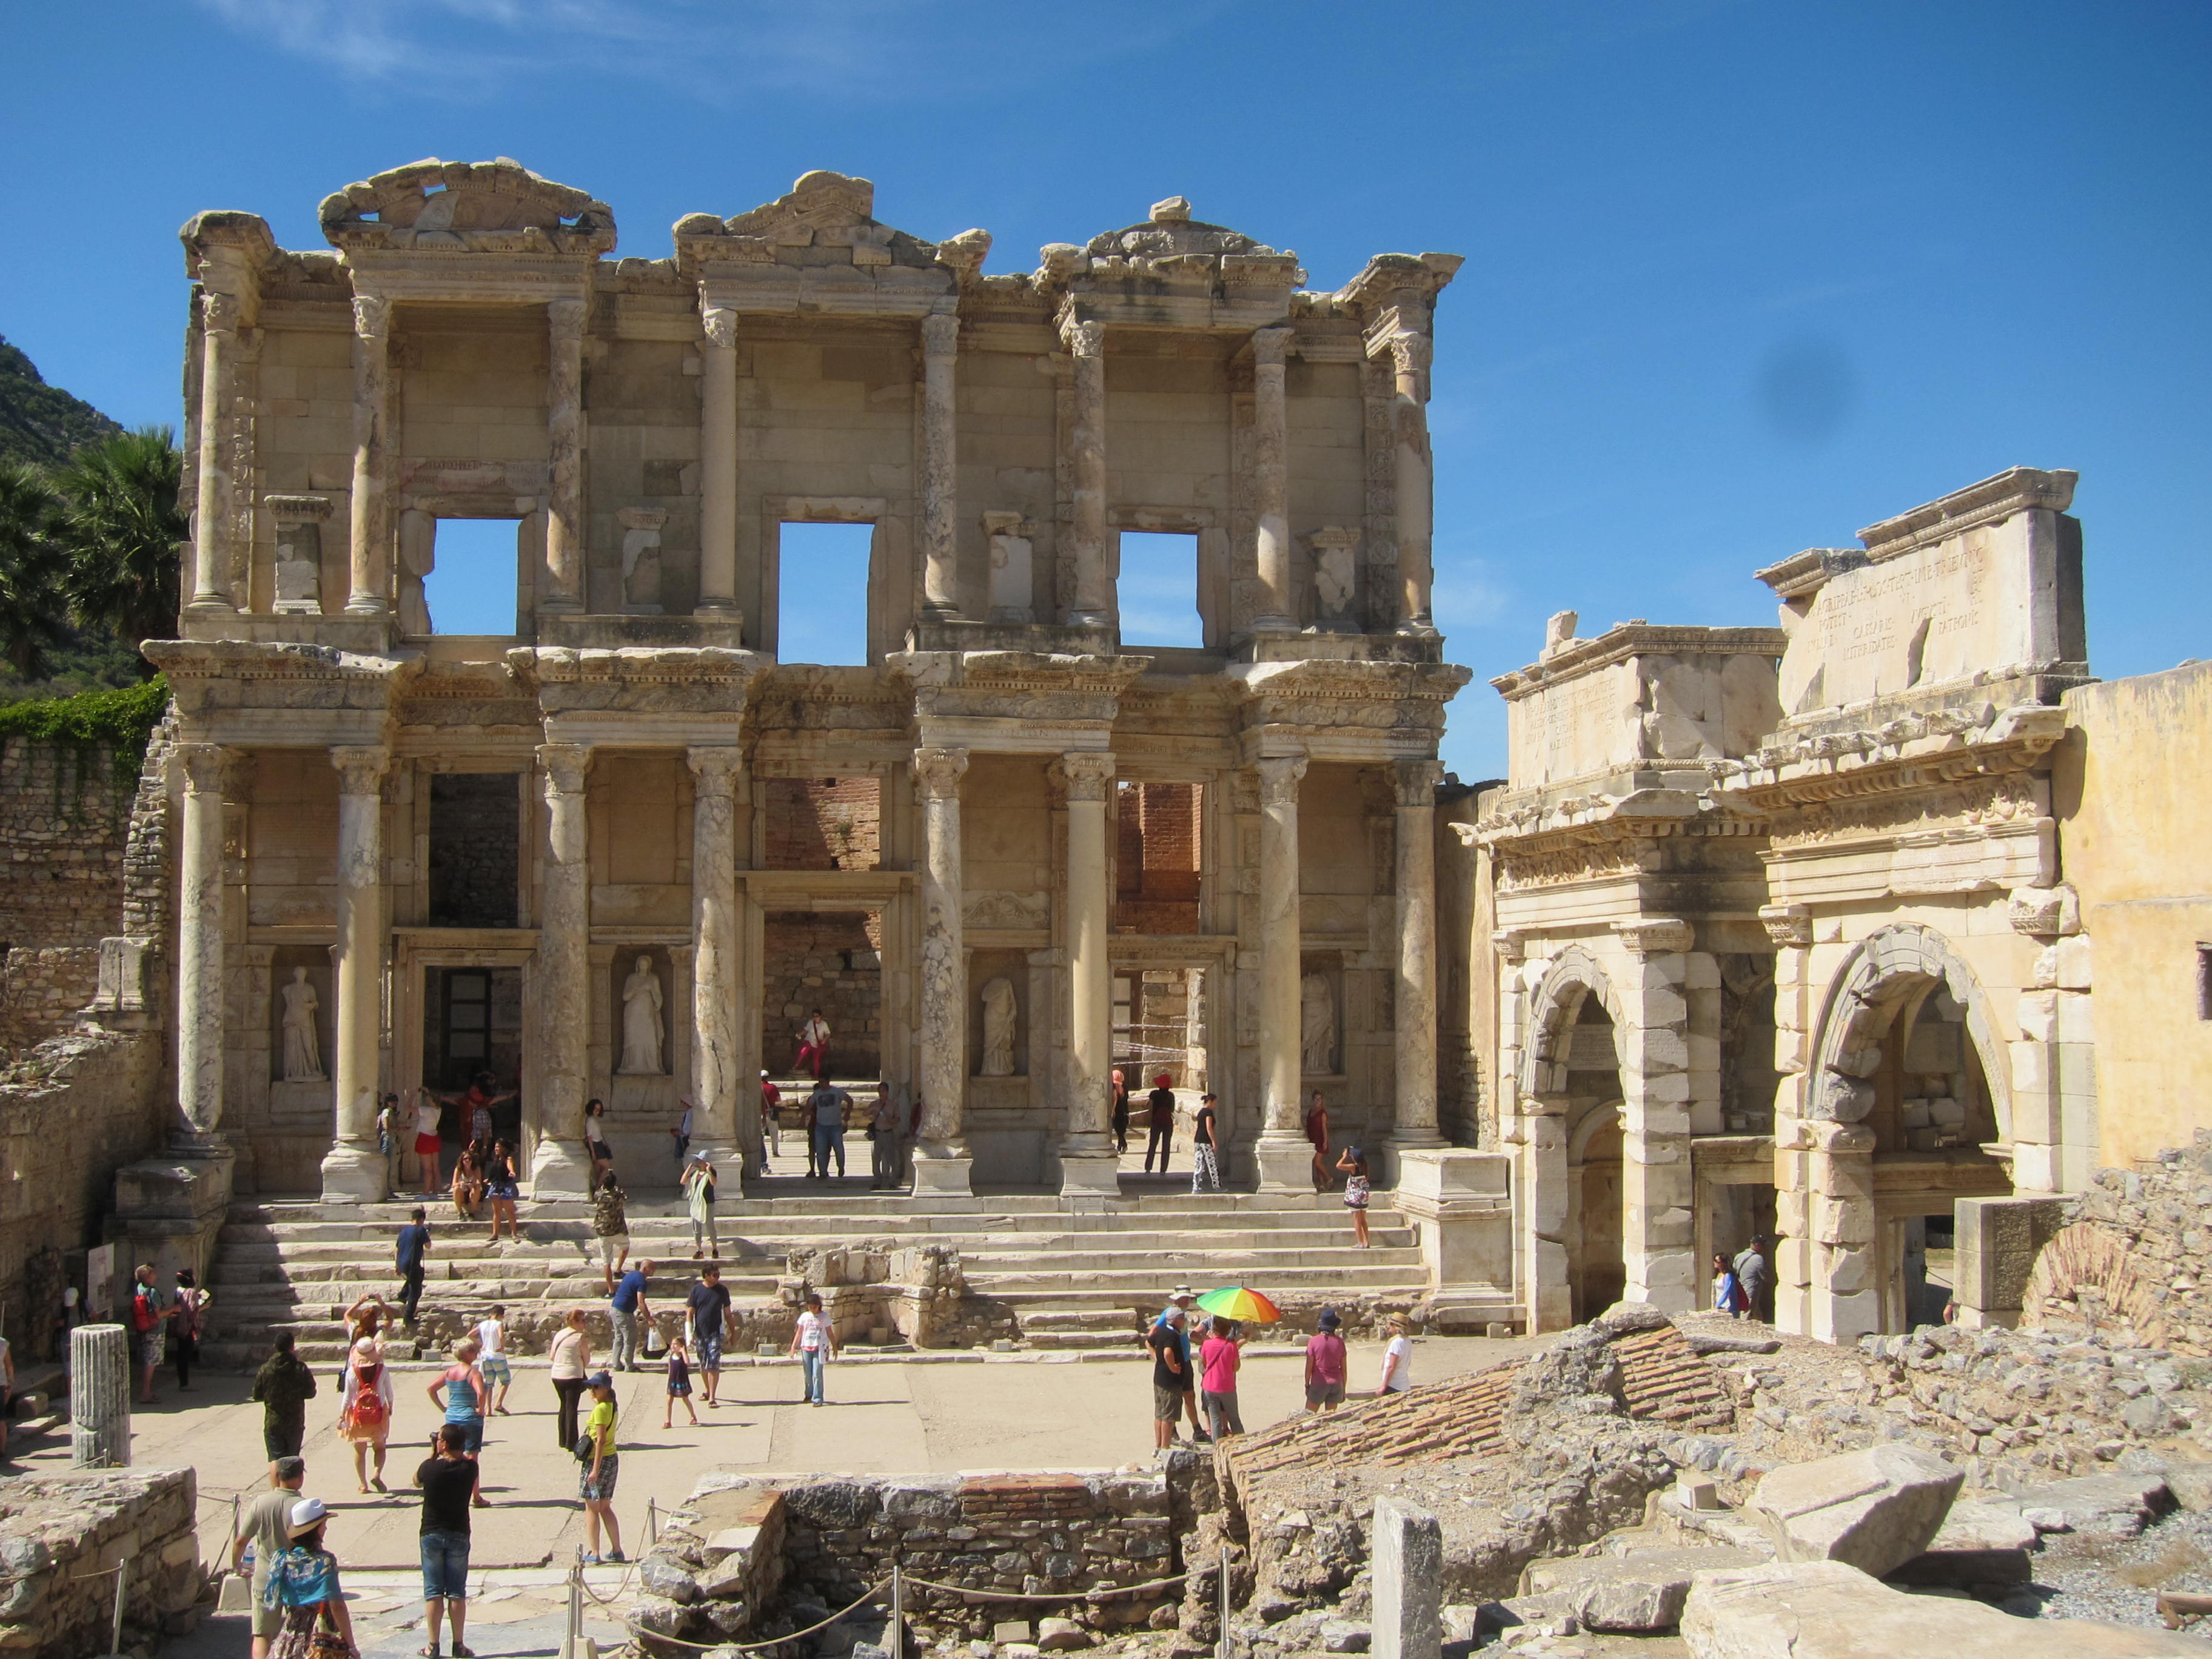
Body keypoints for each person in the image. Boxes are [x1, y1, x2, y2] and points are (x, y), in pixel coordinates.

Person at [260, 1498, 357, 1659]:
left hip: (290, 1636)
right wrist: (351, 1645)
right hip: (320, 1637)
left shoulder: (281, 1559)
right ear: (316, 1529)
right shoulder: (324, 1562)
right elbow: (337, 1605)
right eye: (324, 1524)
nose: (325, 1528)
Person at [415, 1422, 479, 1658]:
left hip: (431, 1532)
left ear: (444, 1443)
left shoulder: (430, 1468)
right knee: (456, 1592)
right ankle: (459, 1644)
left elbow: (416, 1481)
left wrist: (433, 1453)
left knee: (433, 1592)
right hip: (459, 1532)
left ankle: (432, 1645)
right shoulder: (470, 1468)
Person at [233, 1456, 306, 1659]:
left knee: (262, 1634)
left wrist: (237, 1565)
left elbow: (241, 1540)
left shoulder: (261, 1504)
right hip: (295, 1577)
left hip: (266, 1576)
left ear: (277, 1476)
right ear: (300, 1478)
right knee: (299, 1632)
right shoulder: (303, 1506)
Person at [426, 1339, 490, 1505]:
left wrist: (444, 1408)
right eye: (473, 1350)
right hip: (470, 1418)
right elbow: (481, 1393)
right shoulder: (473, 1373)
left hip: (452, 1416)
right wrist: (481, 1409)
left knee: (452, 1455)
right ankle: (475, 1496)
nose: (476, 1353)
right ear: (466, 1354)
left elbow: (431, 1389)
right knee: (471, 1456)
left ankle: (450, 1491)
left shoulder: (449, 1372)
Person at [252, 1333, 320, 1473]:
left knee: (275, 1460)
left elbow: (257, 1395)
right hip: (295, 1421)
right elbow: (311, 1393)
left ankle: (276, 1491)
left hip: (273, 1421)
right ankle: (291, 1491)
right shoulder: (300, 1368)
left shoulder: (266, 1369)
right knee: (292, 1460)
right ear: (292, 1347)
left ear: (275, 1347)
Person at [579, 1370, 625, 1565]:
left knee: (591, 1507)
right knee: (605, 1507)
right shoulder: (612, 1406)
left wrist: (595, 1470)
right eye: (591, 1387)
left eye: (596, 1387)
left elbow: (600, 1440)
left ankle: (595, 1551)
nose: (592, 1391)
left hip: (597, 1461)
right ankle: (617, 1549)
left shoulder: (600, 1410)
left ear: (606, 1389)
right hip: (612, 1458)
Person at [338, 1333, 394, 1493]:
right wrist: (390, 1406)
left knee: (359, 1450)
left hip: (358, 1414)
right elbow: (389, 1392)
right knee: (380, 1447)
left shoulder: (352, 1372)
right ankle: (376, 1473)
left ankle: (363, 1484)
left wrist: (342, 1415)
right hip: (378, 1412)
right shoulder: (382, 1369)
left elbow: (348, 1396)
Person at [686, 1263, 734, 1407]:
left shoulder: (722, 1291)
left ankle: (713, 1397)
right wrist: (689, 1333)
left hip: (716, 1332)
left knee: (713, 1363)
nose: (718, 1278)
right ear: (706, 1276)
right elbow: (690, 1312)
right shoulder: (697, 1290)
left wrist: (733, 1332)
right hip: (700, 1332)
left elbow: (728, 1313)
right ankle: (707, 1389)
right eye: (715, 1275)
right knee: (703, 1363)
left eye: (719, 1275)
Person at [549, 1309, 593, 1452]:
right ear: (574, 1322)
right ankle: (571, 1441)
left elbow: (552, 1356)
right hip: (572, 1374)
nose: (585, 1324)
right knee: (572, 1408)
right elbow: (587, 1360)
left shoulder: (559, 1334)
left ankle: (563, 1439)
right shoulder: (579, 1338)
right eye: (582, 1321)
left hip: (557, 1374)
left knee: (564, 1406)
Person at [1148, 1306, 1191, 1450]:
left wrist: (1156, 1357)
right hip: (1170, 1381)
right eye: (1182, 1319)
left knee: (1160, 1414)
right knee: (1169, 1416)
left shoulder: (1161, 1331)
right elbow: (1167, 1352)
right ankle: (1165, 1448)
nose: (1184, 1321)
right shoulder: (1172, 1335)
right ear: (1176, 1320)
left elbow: (1148, 1341)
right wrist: (1172, 1366)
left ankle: (1158, 1446)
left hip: (1159, 1378)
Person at [128, 1263, 170, 1404]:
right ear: (147, 1277)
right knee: (151, 1363)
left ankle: (147, 1392)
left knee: (148, 1360)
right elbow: (158, 1314)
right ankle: (145, 1393)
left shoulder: (140, 1289)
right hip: (155, 1330)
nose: (156, 1277)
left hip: (144, 1328)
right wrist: (173, 1310)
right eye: (153, 1274)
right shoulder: (153, 1292)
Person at [1198, 1316, 1244, 1439]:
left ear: (1214, 1329)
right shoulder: (1231, 1346)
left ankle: (1216, 1447)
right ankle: (1241, 1442)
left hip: (1209, 1385)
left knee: (1215, 1420)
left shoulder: (1206, 1344)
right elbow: (1236, 1367)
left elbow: (1204, 1363)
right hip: (1227, 1386)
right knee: (1234, 1418)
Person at [791, 1290, 836, 1406]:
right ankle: (809, 1394)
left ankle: (818, 1398)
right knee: (807, 1373)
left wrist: (835, 1347)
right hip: (806, 1347)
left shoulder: (825, 1317)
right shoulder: (805, 1316)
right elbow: (799, 1332)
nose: (813, 1309)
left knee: (817, 1373)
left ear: (819, 1306)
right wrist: (793, 1347)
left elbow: (830, 1332)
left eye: (815, 1307)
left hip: (819, 1348)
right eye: (810, 1307)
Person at [610, 1258, 654, 1373]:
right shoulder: (641, 1281)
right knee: (630, 1338)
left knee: (619, 1337)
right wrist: (649, 1319)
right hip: (624, 1311)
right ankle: (629, 1366)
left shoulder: (631, 1275)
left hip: (615, 1308)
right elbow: (641, 1302)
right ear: (645, 1268)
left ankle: (616, 1364)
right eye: (652, 1269)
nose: (654, 1272)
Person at [593, 1170, 631, 1293]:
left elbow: (598, 1191)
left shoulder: (599, 1195)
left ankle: (611, 1290)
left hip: (603, 1231)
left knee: (606, 1262)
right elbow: (625, 1197)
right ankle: (619, 1270)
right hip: (617, 1230)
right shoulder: (619, 1195)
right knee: (625, 1248)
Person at [808, 1073, 851, 1179]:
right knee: (821, 1150)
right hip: (821, 1126)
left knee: (839, 1149)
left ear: (828, 1082)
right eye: (819, 1082)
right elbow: (809, 1106)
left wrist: (847, 1115)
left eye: (823, 1082)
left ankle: (841, 1167)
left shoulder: (837, 1092)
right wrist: (803, 1118)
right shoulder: (817, 1094)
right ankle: (823, 1172)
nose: (821, 1084)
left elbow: (850, 1101)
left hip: (835, 1126)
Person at [1305, 1308, 1349, 1413]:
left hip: (1319, 1382)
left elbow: (1309, 1367)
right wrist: (1343, 1388)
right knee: (1330, 1418)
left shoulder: (1314, 1341)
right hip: (1336, 1383)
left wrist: (1307, 1385)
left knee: (1309, 1415)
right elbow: (1344, 1370)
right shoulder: (1340, 1342)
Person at [172, 1267, 207, 1390]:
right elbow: (192, 1310)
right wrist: (204, 1306)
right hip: (188, 1327)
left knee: (180, 1354)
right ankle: (185, 1383)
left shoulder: (178, 1291)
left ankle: (182, 1381)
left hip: (179, 1326)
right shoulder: (191, 1292)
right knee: (186, 1355)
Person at [395, 1206, 432, 1326]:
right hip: (412, 1264)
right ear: (421, 1219)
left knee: (413, 1279)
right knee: (415, 1291)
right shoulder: (420, 1230)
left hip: (402, 1263)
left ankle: (402, 1294)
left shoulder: (403, 1231)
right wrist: (427, 1234)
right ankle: (408, 1317)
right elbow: (428, 1246)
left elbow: (397, 1249)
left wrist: (397, 1265)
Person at [680, 1151, 720, 1259]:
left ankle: (715, 1248)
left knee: (710, 1225)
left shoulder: (712, 1172)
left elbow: (713, 1183)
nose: (698, 1163)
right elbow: (683, 1181)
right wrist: (689, 1169)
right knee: (696, 1227)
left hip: (708, 1202)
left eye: (700, 1161)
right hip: (696, 1202)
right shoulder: (695, 1174)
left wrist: (709, 1171)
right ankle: (699, 1250)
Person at [474, 1306, 513, 1416]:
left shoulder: (483, 1324)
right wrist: (502, 1347)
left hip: (486, 1356)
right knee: (505, 1381)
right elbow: (501, 1336)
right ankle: (499, 1404)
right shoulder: (498, 1324)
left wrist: (481, 1345)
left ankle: (488, 1410)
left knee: (489, 1384)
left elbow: (470, 1335)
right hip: (497, 1356)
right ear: (500, 1315)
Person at [482, 1139, 521, 1245]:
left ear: (504, 1148)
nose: (496, 1149)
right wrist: (488, 1180)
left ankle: (514, 1234)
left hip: (506, 1186)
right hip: (496, 1186)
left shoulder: (508, 1158)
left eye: (498, 1147)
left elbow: (510, 1166)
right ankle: (495, 1234)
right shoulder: (496, 1159)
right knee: (497, 1212)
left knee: (509, 1211)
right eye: (495, 1147)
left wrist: (512, 1172)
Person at [1336, 1144, 1372, 1248]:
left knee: (1357, 1221)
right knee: (1363, 1220)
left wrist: (1344, 1156)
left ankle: (1360, 1243)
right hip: (1364, 1197)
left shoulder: (1353, 1167)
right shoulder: (1365, 1167)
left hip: (1354, 1197)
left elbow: (1338, 1166)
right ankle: (1366, 1241)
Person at [1731, 1235, 1772, 1323]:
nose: (1764, 1248)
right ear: (1757, 1245)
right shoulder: (1758, 1258)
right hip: (1751, 1289)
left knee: (1756, 1314)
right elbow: (1765, 1276)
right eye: (1763, 1245)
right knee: (1747, 1313)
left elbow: (1734, 1270)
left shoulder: (1739, 1256)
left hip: (1740, 1287)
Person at [662, 1332, 698, 1429]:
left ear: (681, 1346)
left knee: (685, 1399)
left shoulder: (683, 1356)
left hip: (681, 1381)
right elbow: (670, 1368)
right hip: (672, 1382)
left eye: (676, 1344)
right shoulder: (671, 1356)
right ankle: (668, 1421)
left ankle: (693, 1416)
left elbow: (687, 1362)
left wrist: (683, 1351)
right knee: (669, 1401)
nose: (673, 1346)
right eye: (672, 1344)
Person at [870, 1090, 904, 1190]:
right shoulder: (875, 1103)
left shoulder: (893, 1105)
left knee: (891, 1159)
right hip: (878, 1134)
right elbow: (865, 1113)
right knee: (876, 1159)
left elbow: (898, 1119)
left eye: (883, 1091)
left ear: (887, 1092)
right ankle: (877, 1181)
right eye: (880, 1092)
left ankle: (892, 1182)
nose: (881, 1094)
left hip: (888, 1133)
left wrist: (889, 1119)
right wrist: (873, 1109)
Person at [414, 1085, 446, 1196]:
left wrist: (414, 1095)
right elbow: (432, 1099)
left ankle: (426, 1193)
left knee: (427, 1169)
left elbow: (408, 1108)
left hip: (425, 1138)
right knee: (435, 1167)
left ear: (431, 1099)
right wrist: (428, 1092)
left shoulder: (425, 1110)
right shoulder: (438, 1110)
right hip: (434, 1138)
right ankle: (436, 1191)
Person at [1190, 1093, 1222, 1193]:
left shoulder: (1201, 1112)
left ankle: (1196, 1187)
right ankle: (1216, 1186)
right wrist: (1213, 1141)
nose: (1215, 1105)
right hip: (1205, 1140)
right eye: (1215, 1102)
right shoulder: (1208, 1112)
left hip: (1198, 1140)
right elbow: (1209, 1127)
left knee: (1199, 1163)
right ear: (1210, 1102)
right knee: (1212, 1163)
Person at [1144, 1078, 1177, 1173]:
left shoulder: (1154, 1094)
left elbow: (1150, 1107)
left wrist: (1150, 1120)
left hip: (1156, 1121)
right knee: (1166, 1146)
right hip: (1167, 1122)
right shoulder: (1171, 1095)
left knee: (1153, 1145)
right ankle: (1163, 1169)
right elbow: (1172, 1109)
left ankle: (1148, 1167)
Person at [1378, 1314, 1413, 1395]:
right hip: (1404, 1384)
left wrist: (1384, 1386)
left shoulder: (1397, 1342)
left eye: (1391, 1324)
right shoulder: (1407, 1341)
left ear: (1397, 1327)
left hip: (1393, 1386)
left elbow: (1392, 1366)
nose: (1389, 1326)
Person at [794, 1007, 831, 1079]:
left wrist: (824, 1040)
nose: (815, 1018)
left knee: (816, 1060)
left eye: (817, 1016)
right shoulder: (811, 1022)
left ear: (820, 1016)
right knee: (803, 1051)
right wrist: (800, 1034)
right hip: (809, 1040)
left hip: (817, 1044)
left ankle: (816, 1075)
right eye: (814, 1016)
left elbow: (828, 1034)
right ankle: (797, 1065)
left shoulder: (824, 1024)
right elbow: (806, 1030)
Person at [1306, 1090, 1332, 1193]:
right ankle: (1321, 1183)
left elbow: (1324, 1128)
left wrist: (1325, 1141)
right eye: (1316, 1099)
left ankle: (1329, 1178)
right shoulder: (1311, 1111)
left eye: (1320, 1099)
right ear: (1313, 1100)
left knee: (1317, 1162)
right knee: (1316, 1162)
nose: (1318, 1101)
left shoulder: (1323, 1113)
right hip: (1312, 1138)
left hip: (1320, 1139)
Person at [583, 1098, 612, 1182]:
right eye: (595, 1109)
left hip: (599, 1144)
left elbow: (598, 1135)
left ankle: (597, 1188)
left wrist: (604, 1145)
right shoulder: (590, 1120)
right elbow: (590, 1137)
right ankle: (597, 1189)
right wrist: (593, 1153)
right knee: (607, 1167)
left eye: (599, 1109)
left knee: (599, 1169)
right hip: (595, 1146)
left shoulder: (594, 1119)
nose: (597, 1111)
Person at [760, 1072, 782, 1166]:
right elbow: (778, 1100)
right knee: (774, 1134)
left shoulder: (758, 1088)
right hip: (772, 1113)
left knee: (761, 1135)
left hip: (761, 1114)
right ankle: (775, 1151)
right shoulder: (773, 1088)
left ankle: (761, 1153)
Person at [1711, 1252, 1744, 1316]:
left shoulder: (1728, 1276)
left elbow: (1727, 1292)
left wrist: (1718, 1305)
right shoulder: (1719, 1275)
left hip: (1729, 1306)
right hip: (1721, 1306)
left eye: (1717, 1261)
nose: (1714, 1262)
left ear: (1723, 1263)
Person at [1110, 1068, 1130, 1155]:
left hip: (1117, 1109)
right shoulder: (1124, 1087)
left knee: (1117, 1128)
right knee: (1121, 1128)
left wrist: (1113, 1110)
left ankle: (1124, 1144)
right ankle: (1120, 1145)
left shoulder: (1114, 1085)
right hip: (1124, 1110)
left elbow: (1115, 1099)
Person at [671, 1098, 694, 1169]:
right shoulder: (688, 1113)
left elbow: (687, 1131)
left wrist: (678, 1133)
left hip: (686, 1141)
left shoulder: (690, 1113)